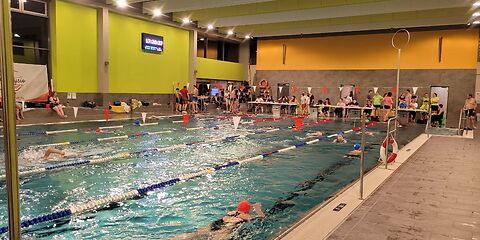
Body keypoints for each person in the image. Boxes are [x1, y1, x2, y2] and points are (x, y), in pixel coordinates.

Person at [172, 201, 265, 240]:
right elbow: (261, 217)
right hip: (227, 226)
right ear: (248, 210)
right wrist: (257, 208)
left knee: (195, 234)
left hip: (218, 222)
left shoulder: (232, 212)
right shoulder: (245, 216)